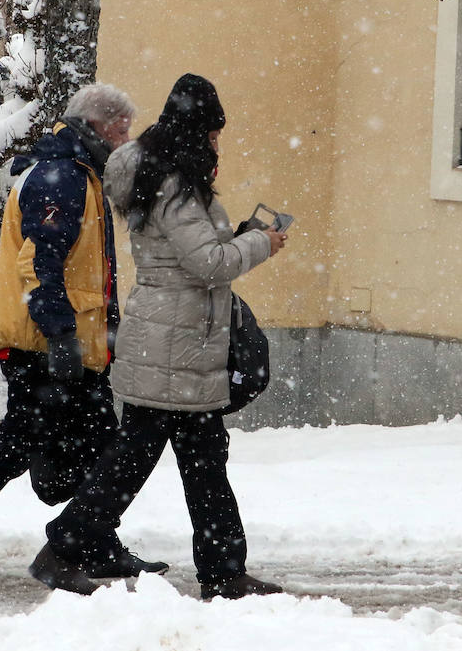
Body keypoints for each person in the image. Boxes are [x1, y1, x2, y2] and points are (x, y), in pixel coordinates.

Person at [28, 73, 288, 600]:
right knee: (162, 461)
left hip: (175, 338)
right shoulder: (174, 185)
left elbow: (188, 255)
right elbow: (207, 264)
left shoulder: (161, 176)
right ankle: (68, 549)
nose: (217, 143)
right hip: (176, 341)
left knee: (188, 459)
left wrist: (235, 237)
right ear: (195, 132)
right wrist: (261, 242)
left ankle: (219, 570)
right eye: (213, 134)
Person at [0, 83, 168, 584]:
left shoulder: (80, 173)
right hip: (42, 342)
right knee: (23, 440)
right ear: (94, 127)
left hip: (66, 342)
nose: (126, 138)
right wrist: (61, 337)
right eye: (120, 129)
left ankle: (91, 541)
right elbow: (40, 262)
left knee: (100, 443)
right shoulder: (61, 177)